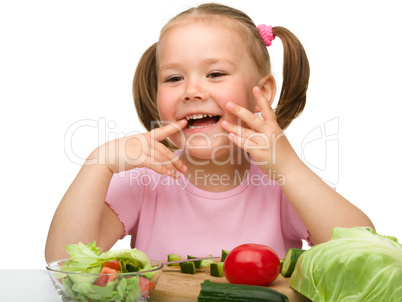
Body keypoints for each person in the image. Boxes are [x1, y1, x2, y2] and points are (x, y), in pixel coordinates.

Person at [45, 3, 374, 262]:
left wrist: (288, 167)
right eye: (174, 78)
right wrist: (97, 163)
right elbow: (62, 260)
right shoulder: (144, 180)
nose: (191, 91)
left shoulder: (282, 183)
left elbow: (364, 251)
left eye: (215, 73)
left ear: (262, 91)